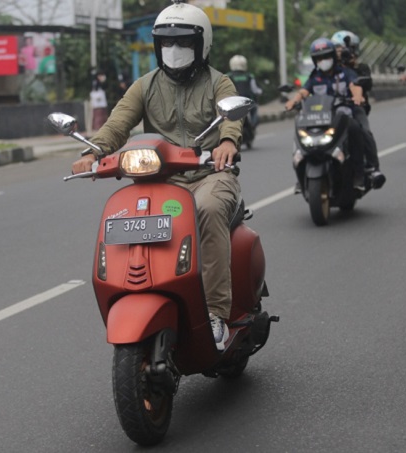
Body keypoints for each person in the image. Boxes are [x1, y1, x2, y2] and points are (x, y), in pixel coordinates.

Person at [70, 1, 242, 351]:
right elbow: (118, 124)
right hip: (161, 179)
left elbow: (231, 117)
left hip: (209, 173)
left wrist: (227, 141)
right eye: (166, 43)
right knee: (128, 216)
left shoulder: (218, 83)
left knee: (207, 210)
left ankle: (215, 312)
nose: (174, 50)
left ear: (201, 45)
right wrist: (93, 151)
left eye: (182, 43)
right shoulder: (145, 86)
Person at [285, 37, 368, 191]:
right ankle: (301, 175)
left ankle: (358, 175)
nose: (323, 61)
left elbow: (354, 86)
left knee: (356, 130)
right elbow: (304, 91)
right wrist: (293, 101)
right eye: (319, 58)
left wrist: (357, 96)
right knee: (299, 135)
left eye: (326, 57)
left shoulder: (345, 73)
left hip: (341, 117)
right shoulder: (314, 76)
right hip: (319, 118)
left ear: (333, 57)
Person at [331, 30, 386, 188]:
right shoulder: (330, 69)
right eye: (337, 49)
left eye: (345, 49)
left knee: (364, 132)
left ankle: (373, 168)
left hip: (355, 109)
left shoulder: (360, 68)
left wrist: (352, 65)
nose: (342, 53)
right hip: (332, 110)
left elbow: (367, 84)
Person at [225, 55, 262, 127]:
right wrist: (260, 91)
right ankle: (253, 126)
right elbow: (255, 90)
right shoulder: (249, 76)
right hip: (248, 102)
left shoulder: (228, 76)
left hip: (233, 104)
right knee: (255, 109)